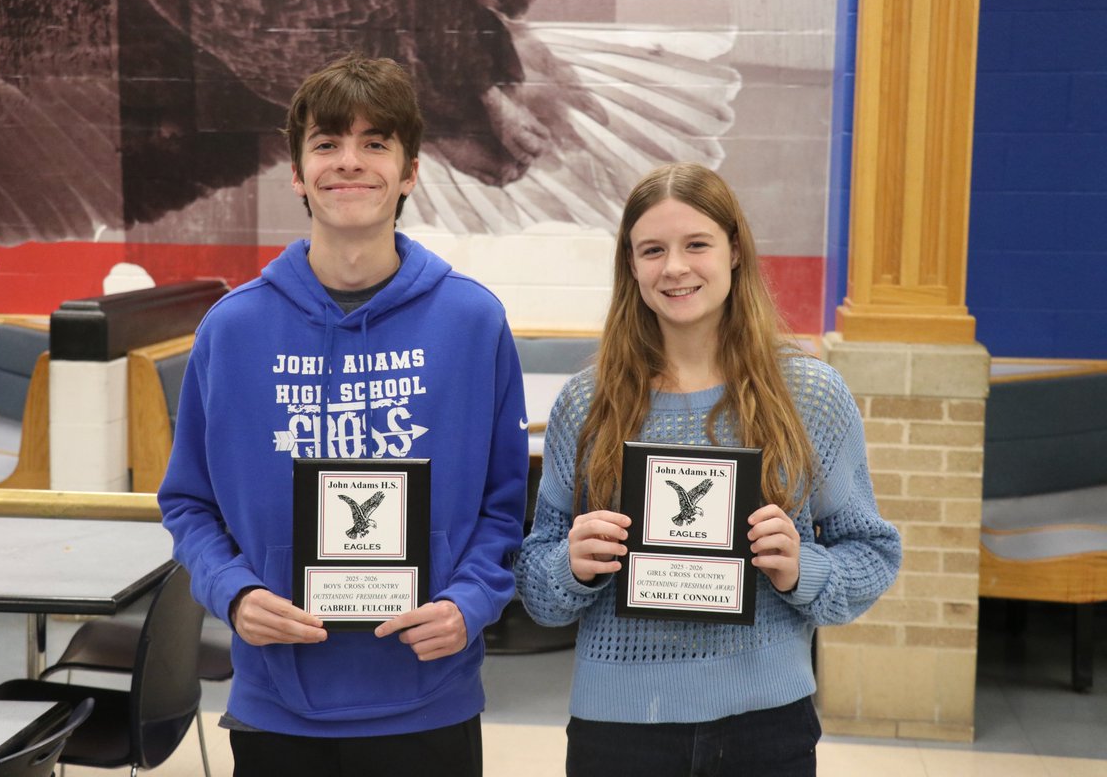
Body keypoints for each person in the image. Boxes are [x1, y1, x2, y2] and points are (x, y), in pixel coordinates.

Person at [158, 53, 529, 776]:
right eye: (327, 143)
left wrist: (472, 601)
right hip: (277, 702)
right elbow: (188, 503)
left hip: (431, 701)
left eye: (374, 143)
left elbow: (505, 504)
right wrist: (233, 593)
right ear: (298, 173)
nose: (349, 162)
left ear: (410, 170)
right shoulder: (232, 330)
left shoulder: (473, 321)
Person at [515, 162, 902, 776]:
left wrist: (802, 568)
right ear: (630, 265)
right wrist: (570, 564)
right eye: (652, 250)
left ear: (735, 251)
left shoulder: (810, 396)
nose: (675, 267)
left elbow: (872, 553)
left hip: (766, 725)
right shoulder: (587, 404)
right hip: (619, 726)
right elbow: (538, 584)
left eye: (697, 244)